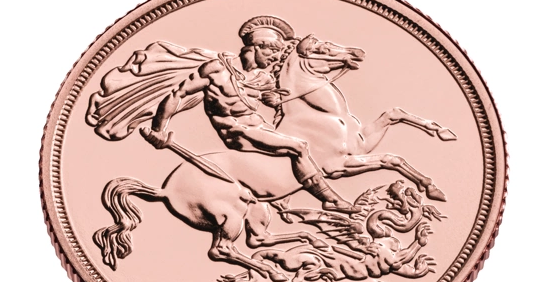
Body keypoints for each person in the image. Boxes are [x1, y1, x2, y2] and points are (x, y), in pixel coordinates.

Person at [88, 16, 359, 214]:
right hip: (236, 131)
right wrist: (159, 129)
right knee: (298, 147)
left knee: (300, 147)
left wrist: (275, 100)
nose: (275, 59)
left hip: (260, 127)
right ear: (256, 47)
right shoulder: (216, 70)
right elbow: (177, 95)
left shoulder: (263, 78)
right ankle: (330, 199)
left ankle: (283, 197)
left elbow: (272, 101)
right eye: (273, 51)